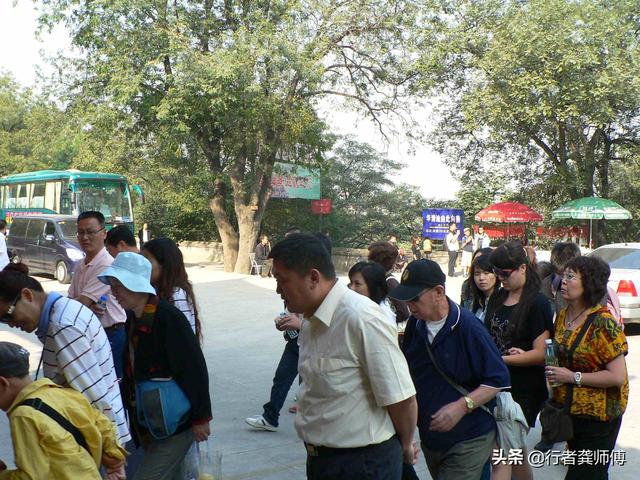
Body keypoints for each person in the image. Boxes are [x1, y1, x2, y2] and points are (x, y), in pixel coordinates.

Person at [269, 233, 418, 480]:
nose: (278, 290)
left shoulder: (362, 318)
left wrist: (404, 446)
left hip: (363, 464)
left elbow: (401, 398)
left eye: (282, 281)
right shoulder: (309, 319)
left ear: (313, 277)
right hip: (321, 459)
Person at [389, 259, 510, 480]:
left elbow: (497, 380)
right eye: (406, 299)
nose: (410, 306)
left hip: (469, 438)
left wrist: (461, 407)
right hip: (432, 438)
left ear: (438, 292)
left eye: (415, 298)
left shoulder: (468, 327)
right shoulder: (416, 325)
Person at [98, 252, 212, 479]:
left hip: (178, 424)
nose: (114, 292)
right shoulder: (133, 318)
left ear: (135, 285)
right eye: (112, 285)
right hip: (152, 425)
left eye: (118, 285)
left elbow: (194, 369)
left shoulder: (168, 318)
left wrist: (201, 418)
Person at [0, 263, 131, 446]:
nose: (11, 325)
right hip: (96, 436)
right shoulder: (64, 310)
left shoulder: (63, 326)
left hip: (96, 440)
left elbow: (92, 394)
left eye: (8, 315)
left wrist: (111, 451)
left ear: (27, 295)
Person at [546, 255, 628, 480]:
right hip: (571, 411)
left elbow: (617, 376)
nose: (563, 280)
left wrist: (573, 376)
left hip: (600, 416)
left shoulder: (604, 323)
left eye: (571, 276)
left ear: (589, 283)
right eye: (564, 275)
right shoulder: (563, 316)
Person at [0, 341, 127, 480]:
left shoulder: (23, 416)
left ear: (2, 383)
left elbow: (31, 476)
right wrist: (114, 458)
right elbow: (102, 423)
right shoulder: (60, 393)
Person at [487, 241, 554, 479]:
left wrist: (505, 360)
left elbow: (541, 354)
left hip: (524, 388)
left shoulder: (538, 303)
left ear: (523, 268)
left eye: (505, 273)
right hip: (495, 385)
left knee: (501, 454)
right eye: (496, 273)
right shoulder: (498, 297)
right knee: (515, 450)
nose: (500, 278)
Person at [244, 227, 313, 433]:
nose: (279, 289)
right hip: (295, 340)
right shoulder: (292, 272)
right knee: (283, 377)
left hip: (308, 340)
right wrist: (284, 318)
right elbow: (292, 306)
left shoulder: (310, 276)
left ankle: (309, 421)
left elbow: (326, 323)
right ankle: (270, 416)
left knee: (309, 383)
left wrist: (301, 325)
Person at [69, 211, 127, 379]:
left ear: (104, 233)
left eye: (91, 232)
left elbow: (80, 303)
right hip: (92, 332)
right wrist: (80, 304)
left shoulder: (106, 264)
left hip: (111, 334)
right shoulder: (81, 263)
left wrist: (81, 303)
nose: (85, 237)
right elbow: (72, 301)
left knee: (110, 385)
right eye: (81, 232)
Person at [141, 237, 201, 338]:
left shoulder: (177, 295)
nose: (142, 266)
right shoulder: (153, 291)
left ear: (163, 264)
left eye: (147, 261)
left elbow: (185, 338)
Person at [368, 241, 411, 336]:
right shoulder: (377, 280)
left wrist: (383, 322)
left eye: (370, 259)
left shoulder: (390, 282)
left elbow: (404, 312)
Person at [348, 261, 396, 325]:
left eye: (357, 284)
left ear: (373, 287)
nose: (351, 288)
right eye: (351, 282)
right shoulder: (359, 307)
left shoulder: (380, 317)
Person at [470, 254, 500, 322]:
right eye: (477, 274)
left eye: (486, 273)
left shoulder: (503, 301)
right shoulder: (474, 301)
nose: (481, 278)